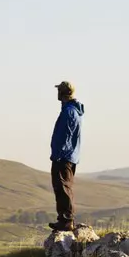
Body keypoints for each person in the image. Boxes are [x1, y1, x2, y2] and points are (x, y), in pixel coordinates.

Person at [49, 79, 84, 231]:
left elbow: (66, 135)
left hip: (63, 156)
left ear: (62, 93)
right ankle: (63, 219)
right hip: (67, 155)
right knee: (62, 187)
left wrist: (58, 153)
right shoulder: (72, 110)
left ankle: (66, 220)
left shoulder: (69, 112)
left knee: (63, 187)